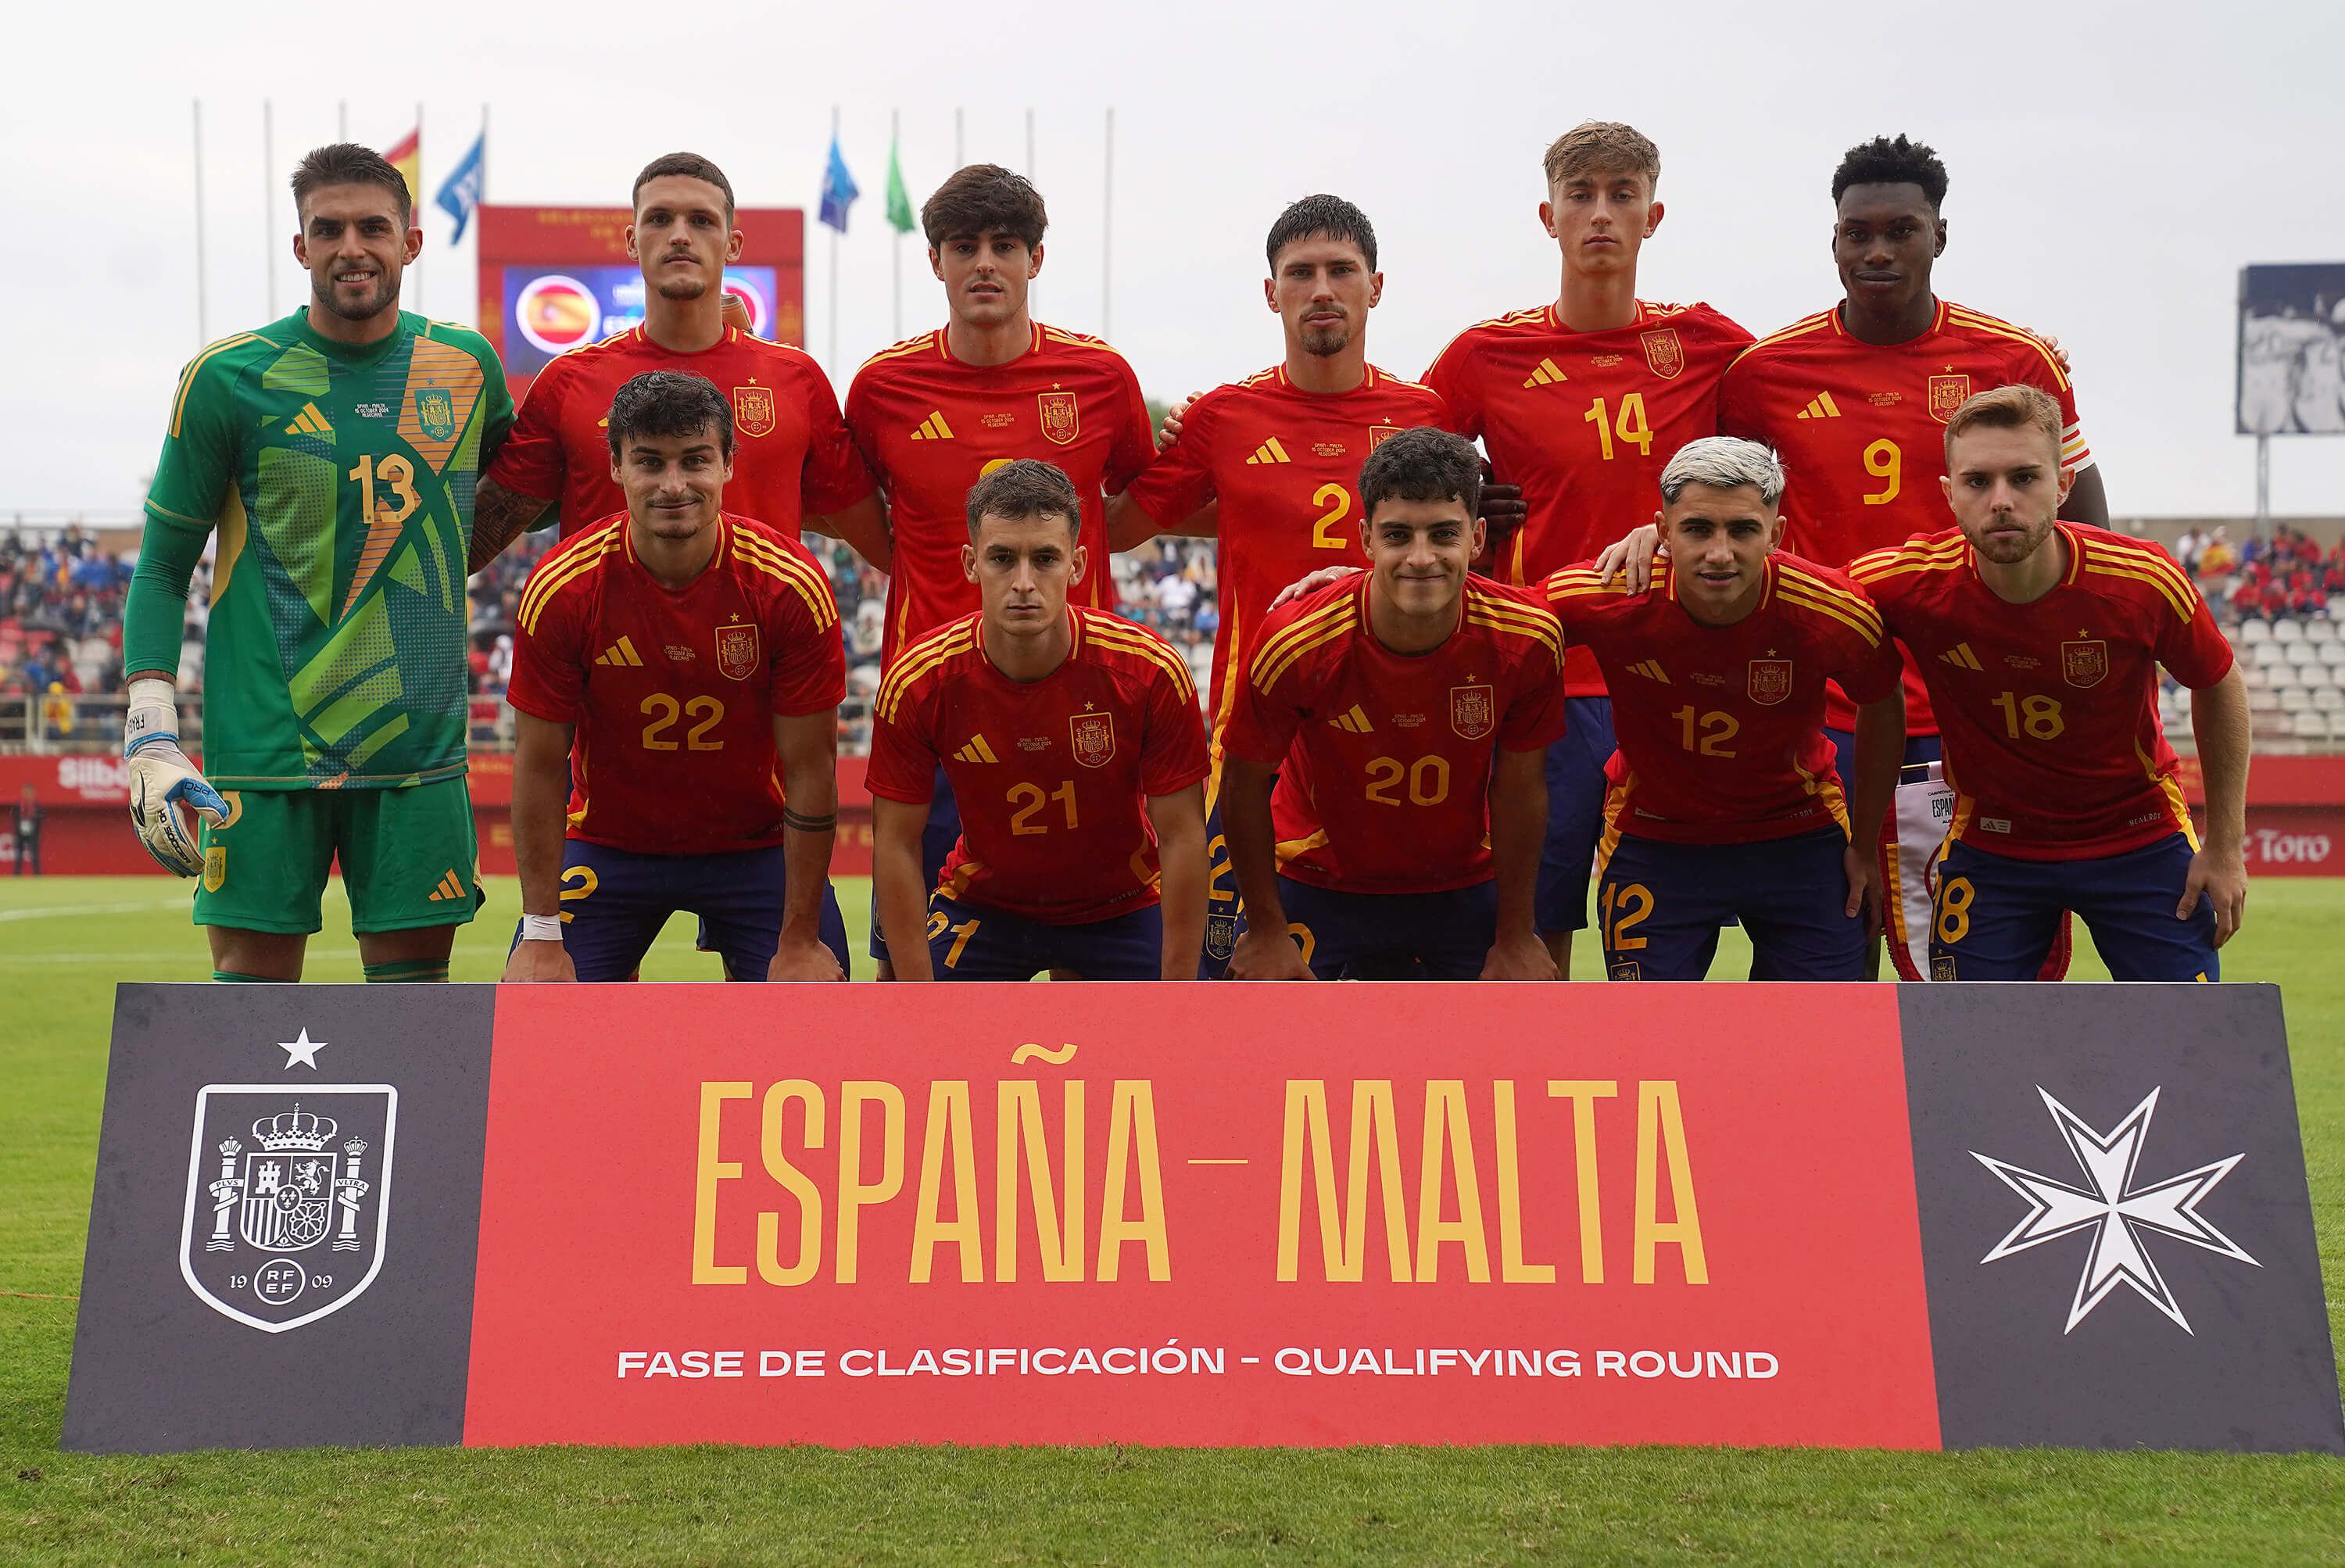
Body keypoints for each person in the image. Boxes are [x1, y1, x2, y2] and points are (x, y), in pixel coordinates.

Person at [121, 143, 513, 983]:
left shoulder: (466, 367)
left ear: (410, 243)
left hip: (416, 752)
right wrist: (150, 726)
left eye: (373, 227)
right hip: (266, 752)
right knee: (249, 1010)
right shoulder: (229, 377)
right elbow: (161, 566)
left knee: (415, 1018)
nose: (351, 248)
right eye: (328, 230)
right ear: (300, 247)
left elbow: (529, 483)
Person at [1421, 122, 1753, 974]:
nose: (1601, 212)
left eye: (1621, 194)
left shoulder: (1711, 345)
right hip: (1551, 682)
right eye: (1581, 195)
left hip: (1685, 680)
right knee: (1536, 934)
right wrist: (1472, 508)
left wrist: (1670, 523)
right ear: (1549, 217)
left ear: (1653, 216)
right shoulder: (1485, 355)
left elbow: (1780, 460)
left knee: (1687, 926)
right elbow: (1402, 474)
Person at [1104, 195, 1454, 972]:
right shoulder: (1223, 416)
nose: (1321, 289)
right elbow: (1121, 528)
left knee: (1404, 971)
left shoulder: (1426, 415)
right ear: (1272, 292)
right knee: (1239, 974)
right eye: (1301, 273)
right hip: (1253, 738)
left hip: (1395, 733)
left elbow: (1467, 549)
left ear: (1376, 286)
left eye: (1341, 270)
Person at [845, 163, 1156, 973]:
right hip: (938, 718)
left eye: (1005, 245)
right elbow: (850, 509)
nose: (984, 262)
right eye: (964, 246)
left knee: (1106, 970)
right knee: (909, 973)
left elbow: (1140, 503)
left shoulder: (1101, 377)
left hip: (1082, 713)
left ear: (1035, 258)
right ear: (936, 261)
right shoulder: (882, 386)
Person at [1847, 385, 2250, 980]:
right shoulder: (1903, 582)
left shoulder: (2142, 580)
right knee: (1964, 1030)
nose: (2001, 501)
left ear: (2063, 485)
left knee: (2186, 1030)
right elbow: (1790, 596)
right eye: (1978, 482)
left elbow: (2218, 682)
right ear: (1949, 494)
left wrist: (2225, 846)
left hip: (2139, 835)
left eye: (2024, 478)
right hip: (1995, 845)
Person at [500, 371, 849, 983]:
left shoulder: (789, 585)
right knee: (543, 1013)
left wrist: (798, 938)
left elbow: (811, 769)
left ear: (729, 464)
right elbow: (538, 766)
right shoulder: (563, 589)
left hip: (758, 845)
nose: (673, 485)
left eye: (695, 460)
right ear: (615, 466)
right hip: (609, 844)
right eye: (649, 462)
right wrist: (541, 933)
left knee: (816, 1015)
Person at [1540, 439, 1905, 979]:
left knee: (1822, 1025)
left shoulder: (1832, 610)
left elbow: (1883, 700)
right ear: (1662, 531)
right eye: (1697, 529)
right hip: (1656, 837)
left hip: (1799, 833)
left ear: (1776, 534)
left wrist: (1866, 844)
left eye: (1742, 530)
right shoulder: (1606, 593)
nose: (1719, 553)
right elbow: (1505, 634)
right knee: (1647, 1029)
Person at [1220, 428, 1566, 981]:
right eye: (1398, 535)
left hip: (1463, 883)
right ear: (1366, 539)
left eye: (1444, 534)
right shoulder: (1297, 639)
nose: (1421, 558)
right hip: (1315, 876)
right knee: (1259, 1031)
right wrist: (1265, 931)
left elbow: (1521, 789)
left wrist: (1517, 935)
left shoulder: (1527, 636)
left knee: (1510, 1030)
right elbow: (1243, 784)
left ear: (1477, 537)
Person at [867, 460, 1208, 980]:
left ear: (1077, 565)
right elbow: (894, 842)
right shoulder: (919, 681)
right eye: (1002, 558)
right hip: (985, 908)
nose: (1023, 583)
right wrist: (919, 1002)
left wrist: (1177, 997)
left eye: (1045, 558)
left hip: (1122, 907)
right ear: (971, 563)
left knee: (1184, 1030)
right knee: (918, 1030)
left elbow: (1183, 837)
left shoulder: (1149, 672)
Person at [470, 152, 886, 571]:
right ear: (632, 241)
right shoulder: (568, 382)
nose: (680, 236)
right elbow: (473, 543)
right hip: (609, 618)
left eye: (702, 221)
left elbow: (889, 544)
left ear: (733, 245)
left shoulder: (797, 381)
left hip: (760, 617)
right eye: (660, 219)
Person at [10, 783, 41, 876]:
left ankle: (37, 874)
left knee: (34, 854)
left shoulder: (36, 806)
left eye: (29, 792)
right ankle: (17, 874)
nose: (27, 794)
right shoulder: (18, 805)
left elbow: (42, 816)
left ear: (33, 793)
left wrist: (35, 820)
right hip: (20, 833)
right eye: (26, 792)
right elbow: (14, 815)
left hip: (33, 834)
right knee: (19, 854)